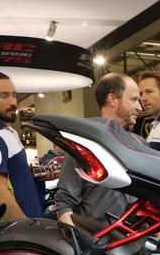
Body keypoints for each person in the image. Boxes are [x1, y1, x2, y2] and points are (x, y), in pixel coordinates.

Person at [55, 72, 141, 227]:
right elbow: (64, 203)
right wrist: (76, 239)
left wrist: (159, 238)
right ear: (112, 99)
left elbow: (151, 202)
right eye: (133, 99)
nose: (139, 107)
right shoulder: (84, 144)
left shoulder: (139, 144)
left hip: (138, 238)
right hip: (99, 239)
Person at [0, 71, 43, 220]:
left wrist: (38, 176)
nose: (13, 102)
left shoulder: (7, 131)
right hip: (11, 229)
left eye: (14, 95)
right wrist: (26, 228)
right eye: (4, 96)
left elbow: (15, 178)